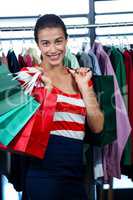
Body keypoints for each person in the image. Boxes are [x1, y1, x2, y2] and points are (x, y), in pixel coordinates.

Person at [25, 14, 104, 200]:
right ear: (38, 45)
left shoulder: (80, 77)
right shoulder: (29, 77)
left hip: (76, 174)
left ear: (66, 41)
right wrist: (46, 93)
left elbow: (98, 126)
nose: (53, 49)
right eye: (45, 43)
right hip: (42, 175)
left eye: (58, 41)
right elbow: (18, 132)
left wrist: (85, 87)